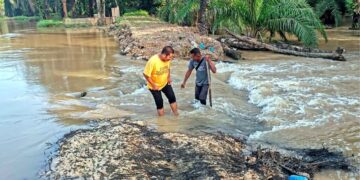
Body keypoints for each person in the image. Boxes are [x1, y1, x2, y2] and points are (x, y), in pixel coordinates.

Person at [143, 46, 179, 116]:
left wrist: (168, 77)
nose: (171, 59)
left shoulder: (167, 60)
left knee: (172, 97)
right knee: (159, 103)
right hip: (154, 86)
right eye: (170, 57)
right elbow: (146, 74)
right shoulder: (153, 61)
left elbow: (168, 68)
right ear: (164, 55)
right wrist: (153, 85)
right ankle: (162, 121)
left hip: (165, 82)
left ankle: (176, 115)